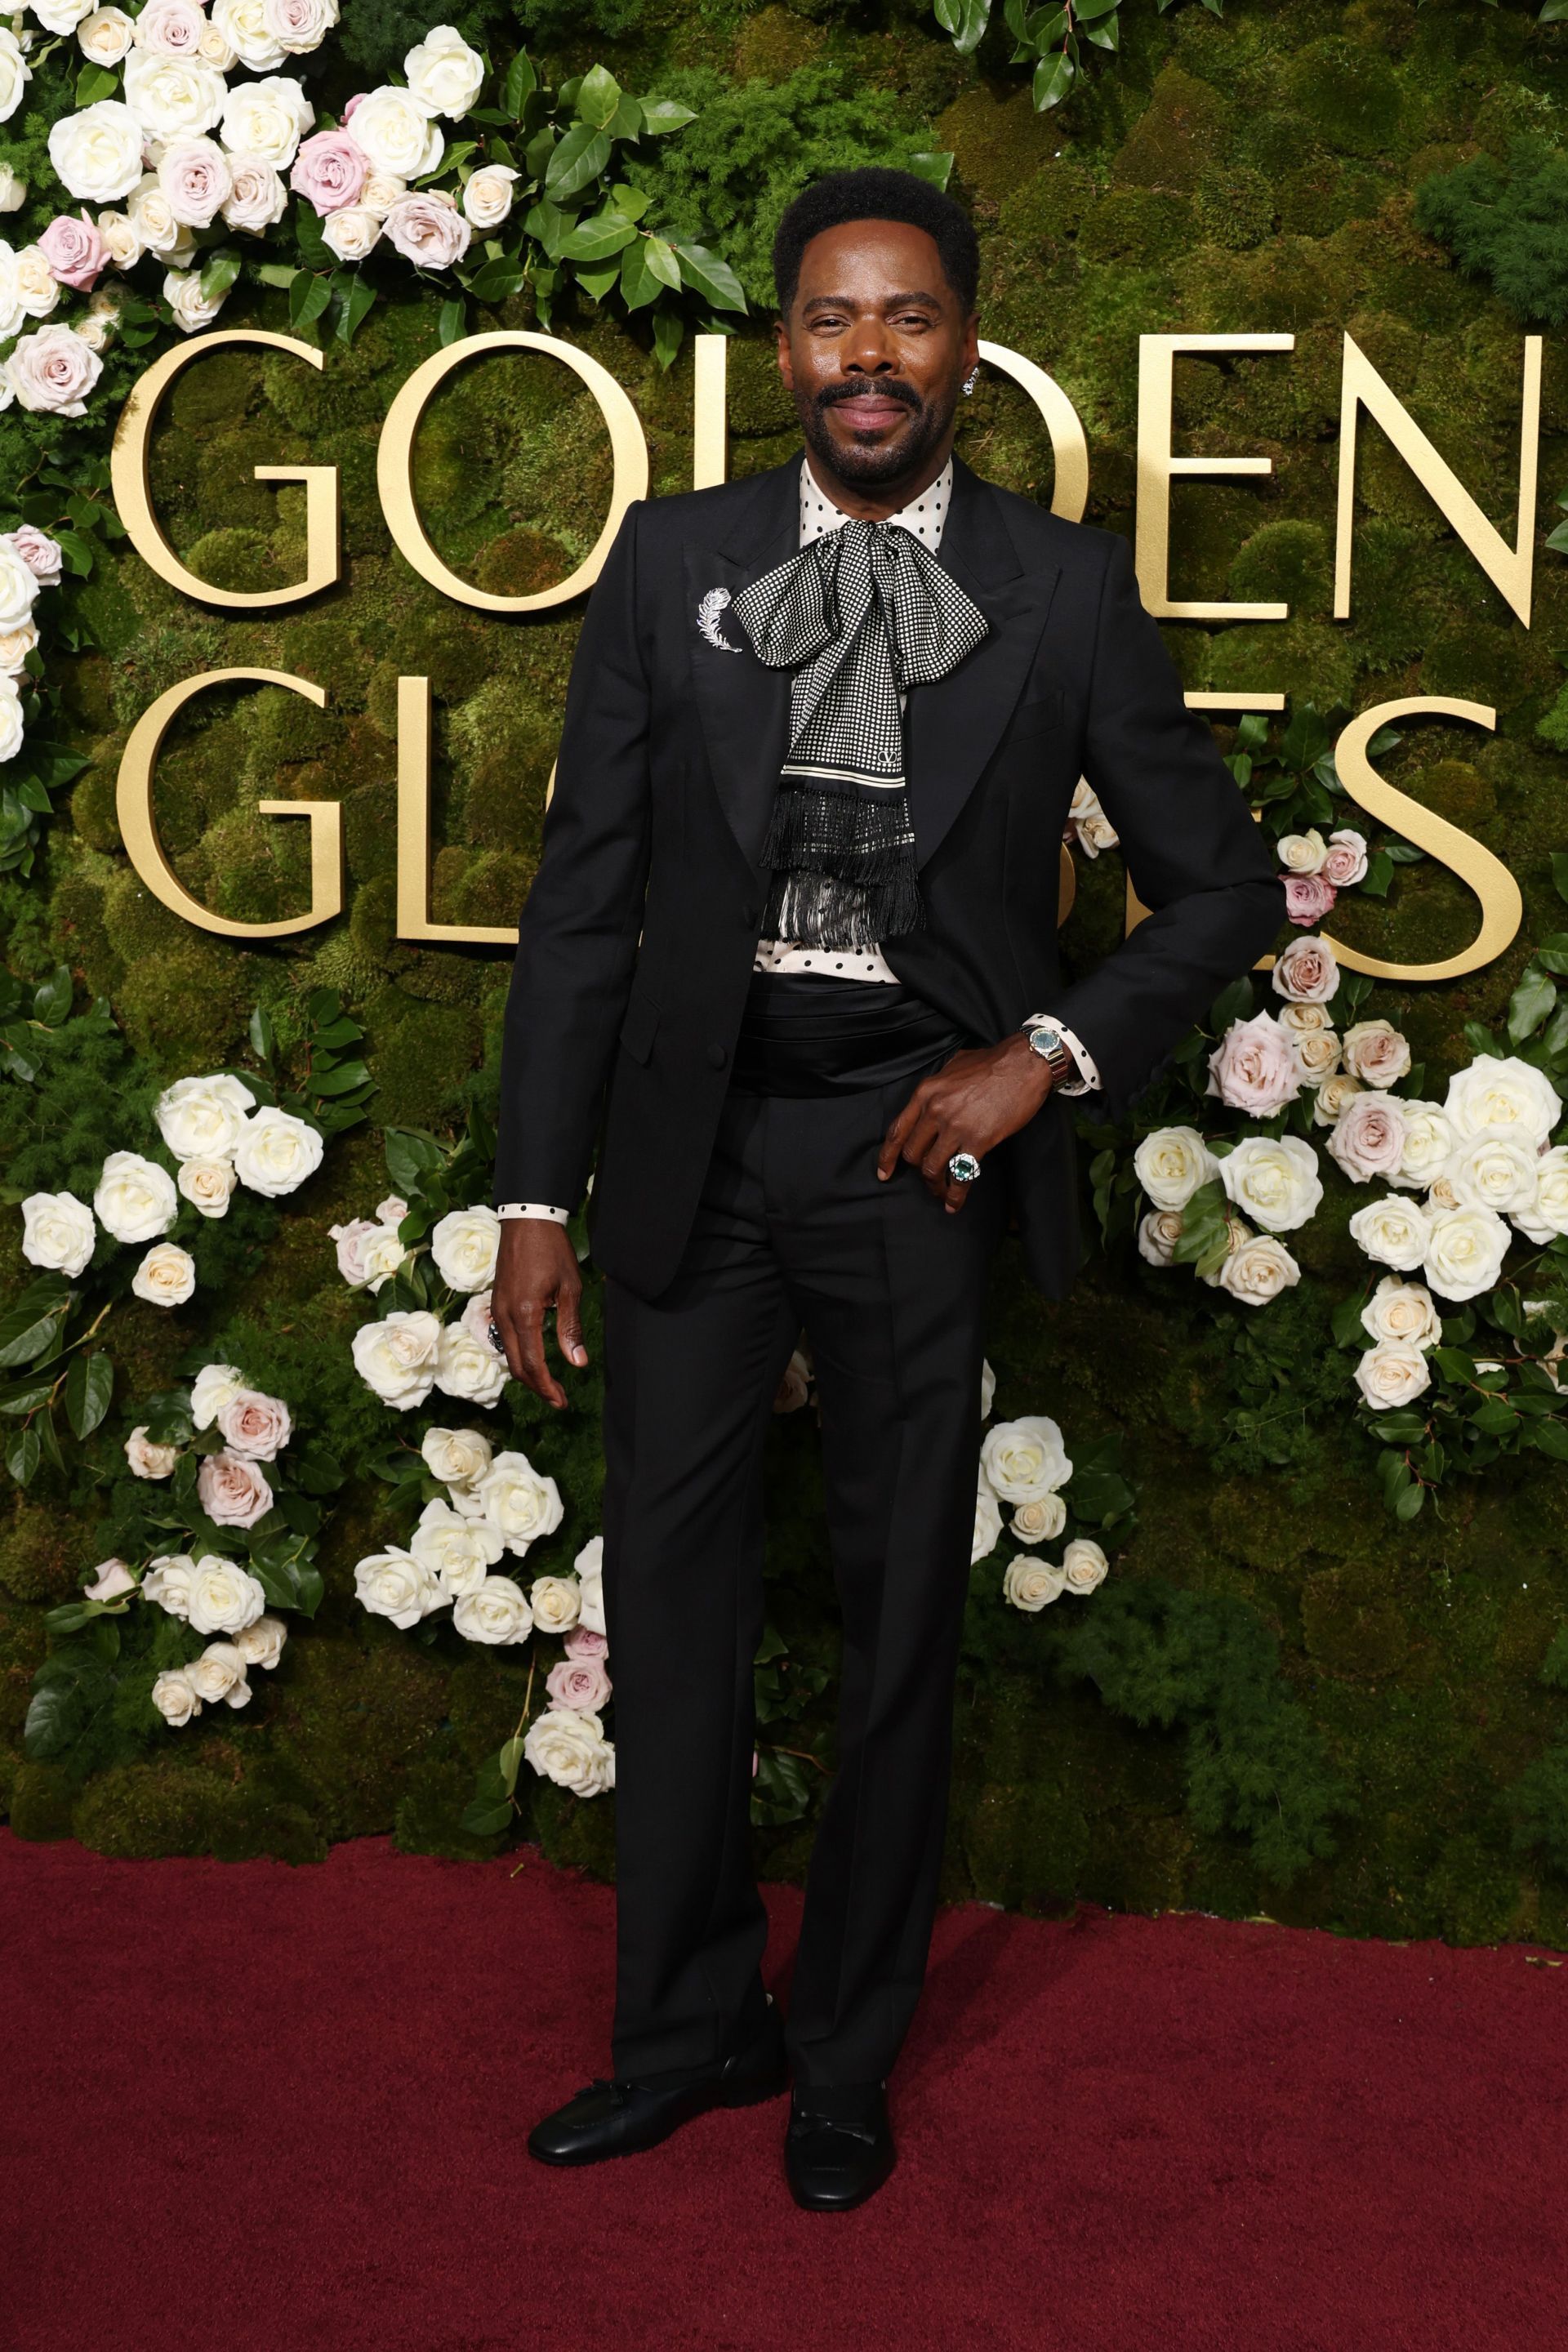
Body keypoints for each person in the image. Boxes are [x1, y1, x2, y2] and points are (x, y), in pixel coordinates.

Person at [488, 166, 1284, 2212]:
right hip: (693, 1148)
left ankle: (845, 2055)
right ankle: (683, 2035)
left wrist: (1047, 1056)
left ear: (965, 347)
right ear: (783, 348)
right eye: (833, 320)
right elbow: (582, 910)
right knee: (665, 1613)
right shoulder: (673, 563)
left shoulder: (1066, 588)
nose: (869, 355)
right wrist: (531, 1201)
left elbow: (1223, 890)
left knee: (897, 1619)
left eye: (909, 319)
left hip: (914, 1161)